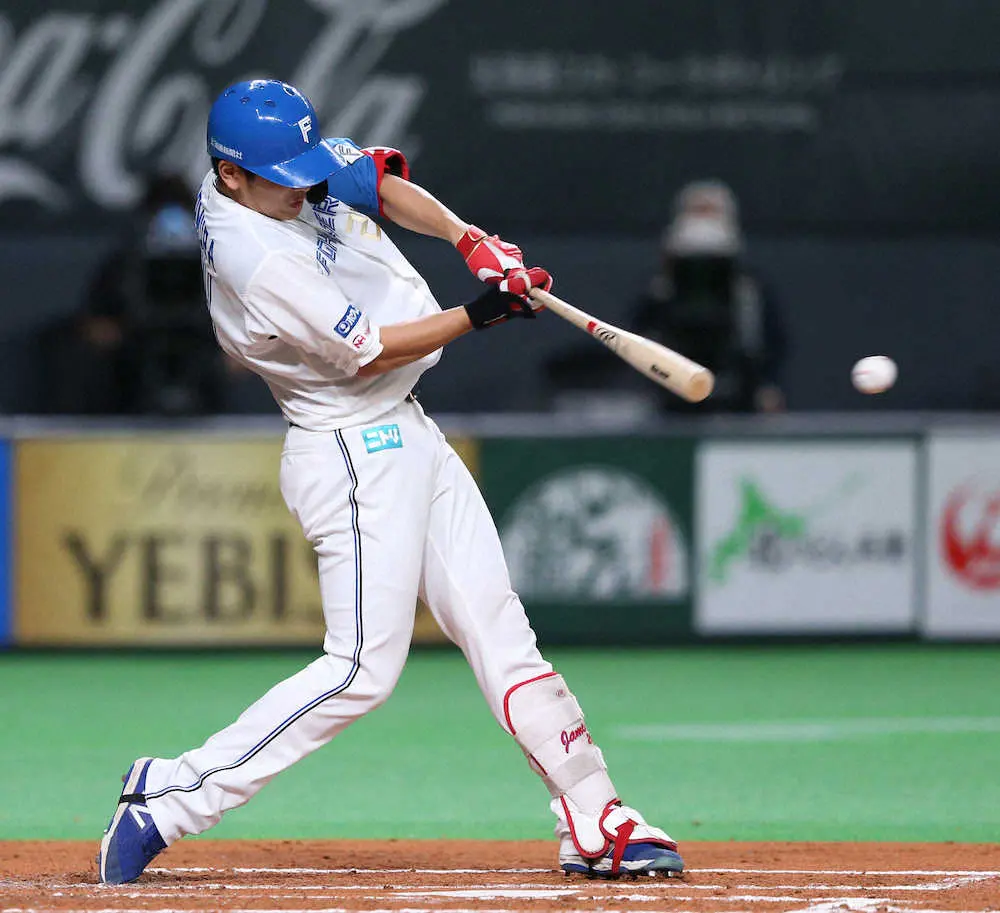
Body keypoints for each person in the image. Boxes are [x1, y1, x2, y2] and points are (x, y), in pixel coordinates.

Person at [96, 78, 684, 884]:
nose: (305, 183)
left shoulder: (271, 171)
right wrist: (483, 311)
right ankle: (170, 797)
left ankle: (594, 817)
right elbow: (370, 348)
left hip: (405, 429)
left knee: (498, 627)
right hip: (348, 445)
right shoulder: (252, 252)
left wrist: (468, 237)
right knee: (360, 668)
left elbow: (372, 180)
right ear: (230, 176)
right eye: (285, 175)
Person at [38, 174, 226, 416]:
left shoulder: (213, 262)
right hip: (135, 351)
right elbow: (97, 319)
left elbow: (232, 317)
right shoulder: (125, 262)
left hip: (198, 349)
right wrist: (108, 329)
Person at [632, 180, 789, 414]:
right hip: (672, 399)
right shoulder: (658, 290)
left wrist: (767, 385)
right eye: (696, 213)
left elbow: (772, 342)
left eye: (711, 214)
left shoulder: (750, 292)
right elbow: (638, 336)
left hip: (740, 399)